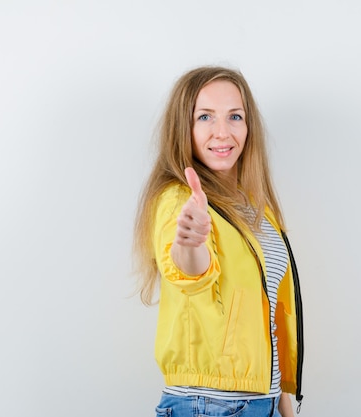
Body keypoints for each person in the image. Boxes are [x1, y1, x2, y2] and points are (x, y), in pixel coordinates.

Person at [134, 66, 304, 417]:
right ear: (184, 127)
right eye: (205, 116)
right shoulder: (180, 200)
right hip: (210, 405)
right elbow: (190, 273)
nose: (222, 132)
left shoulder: (255, 209)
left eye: (235, 116)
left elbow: (267, 320)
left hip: (261, 401)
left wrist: (282, 405)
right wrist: (190, 241)